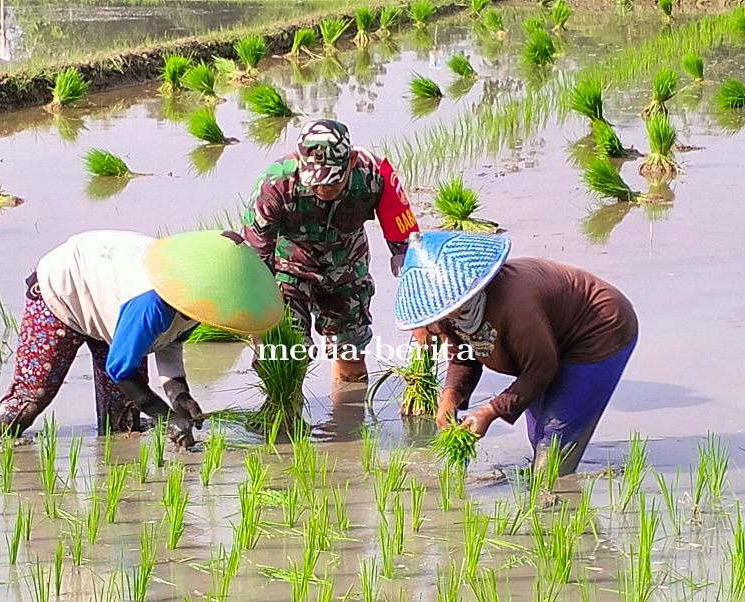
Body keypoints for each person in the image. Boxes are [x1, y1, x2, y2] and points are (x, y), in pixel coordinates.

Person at [0, 229, 283, 447]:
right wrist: (166, 417)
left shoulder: (200, 301)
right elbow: (120, 368)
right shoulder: (151, 303)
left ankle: (119, 491)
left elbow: (170, 340)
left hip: (111, 304)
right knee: (31, 397)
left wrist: (179, 396)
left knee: (124, 419)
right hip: (63, 291)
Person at [395, 230, 638, 476]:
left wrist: (490, 411)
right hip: (544, 343)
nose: (439, 322)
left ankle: (554, 499)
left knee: (553, 442)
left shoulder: (514, 305)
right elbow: (464, 355)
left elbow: (541, 370)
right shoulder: (450, 312)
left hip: (598, 330)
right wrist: (449, 397)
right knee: (538, 436)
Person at [242, 119, 422, 386]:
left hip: (347, 270)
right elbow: (254, 262)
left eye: (333, 181)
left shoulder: (375, 175)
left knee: (350, 352)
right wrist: (259, 325)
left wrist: (421, 315)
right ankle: (286, 419)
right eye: (315, 182)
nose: (324, 188)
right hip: (290, 272)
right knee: (288, 355)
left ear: (350, 161)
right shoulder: (275, 186)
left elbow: (408, 249)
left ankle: (346, 424)